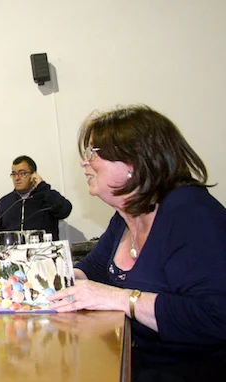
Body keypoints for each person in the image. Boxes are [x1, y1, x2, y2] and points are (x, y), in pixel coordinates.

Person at [48, 105, 226, 381]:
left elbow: (216, 317)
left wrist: (116, 298)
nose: (84, 163)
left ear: (133, 162)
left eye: (93, 153)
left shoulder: (190, 213)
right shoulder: (125, 217)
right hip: (136, 362)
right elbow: (93, 270)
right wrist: (47, 281)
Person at [0, 155, 72, 247]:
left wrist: (41, 186)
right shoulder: (5, 202)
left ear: (33, 175)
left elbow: (65, 210)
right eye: (14, 174)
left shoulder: (47, 196)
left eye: (22, 173)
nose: (17, 178)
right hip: (11, 257)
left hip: (43, 256)